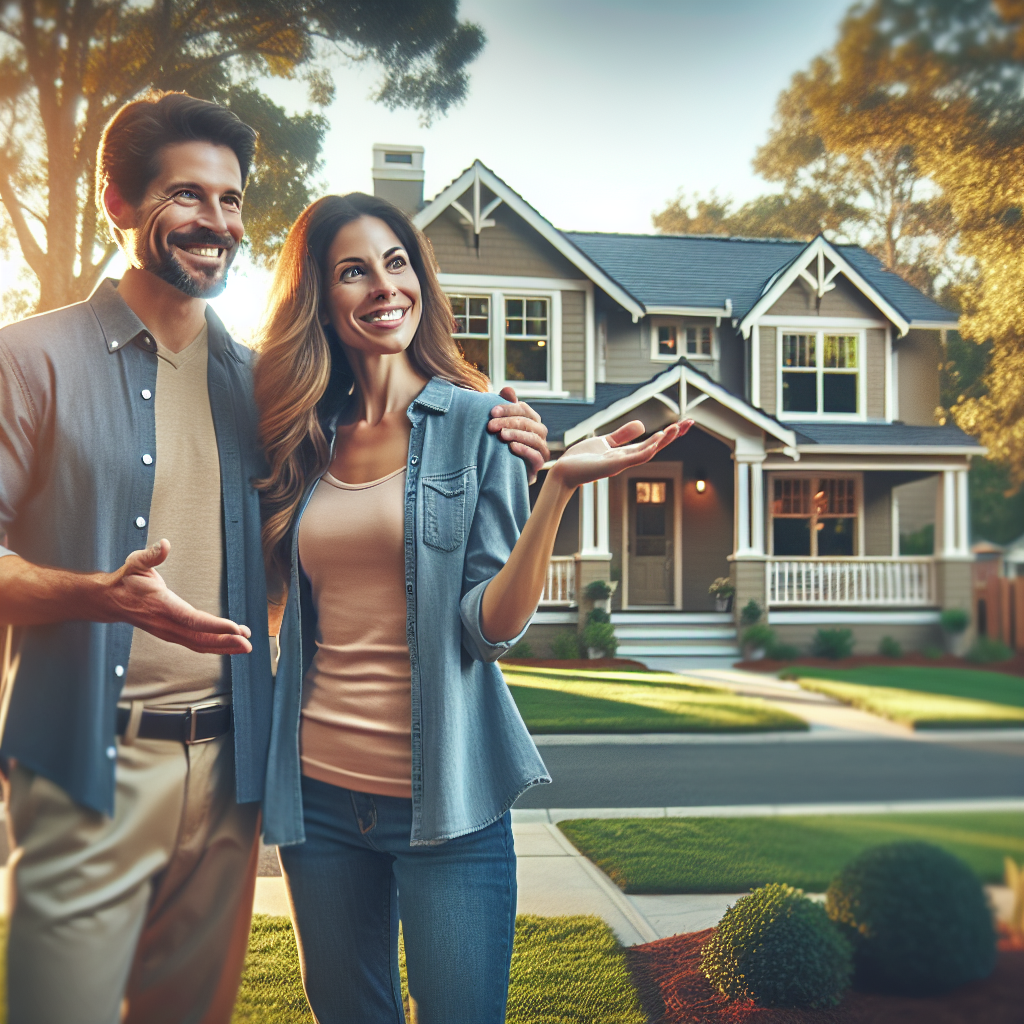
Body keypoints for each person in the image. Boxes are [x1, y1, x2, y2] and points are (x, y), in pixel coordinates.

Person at [0, 92, 550, 1024]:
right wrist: (99, 595)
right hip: (94, 760)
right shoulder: (30, 358)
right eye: (187, 195)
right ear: (120, 204)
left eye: (231, 199)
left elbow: (431, 535)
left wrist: (519, 441)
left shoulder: (264, 394)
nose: (215, 221)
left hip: (237, 778)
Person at [254, 192, 689, 1023]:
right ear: (321, 294)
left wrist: (556, 487)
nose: (384, 286)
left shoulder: (481, 422)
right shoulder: (299, 434)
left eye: (397, 262)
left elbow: (491, 627)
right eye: (354, 270)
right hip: (316, 798)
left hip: (446, 800)